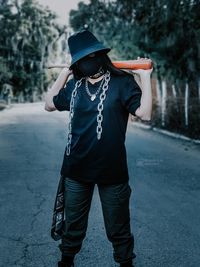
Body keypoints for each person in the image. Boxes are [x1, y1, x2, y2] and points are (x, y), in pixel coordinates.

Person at [44, 30, 152, 267]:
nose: (87, 63)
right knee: (73, 225)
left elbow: (144, 113)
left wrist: (145, 77)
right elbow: (49, 104)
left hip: (111, 170)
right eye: (80, 60)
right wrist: (64, 74)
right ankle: (66, 261)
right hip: (76, 168)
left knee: (118, 226)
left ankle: (125, 262)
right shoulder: (75, 86)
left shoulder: (123, 82)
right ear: (76, 64)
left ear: (101, 55)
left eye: (91, 56)